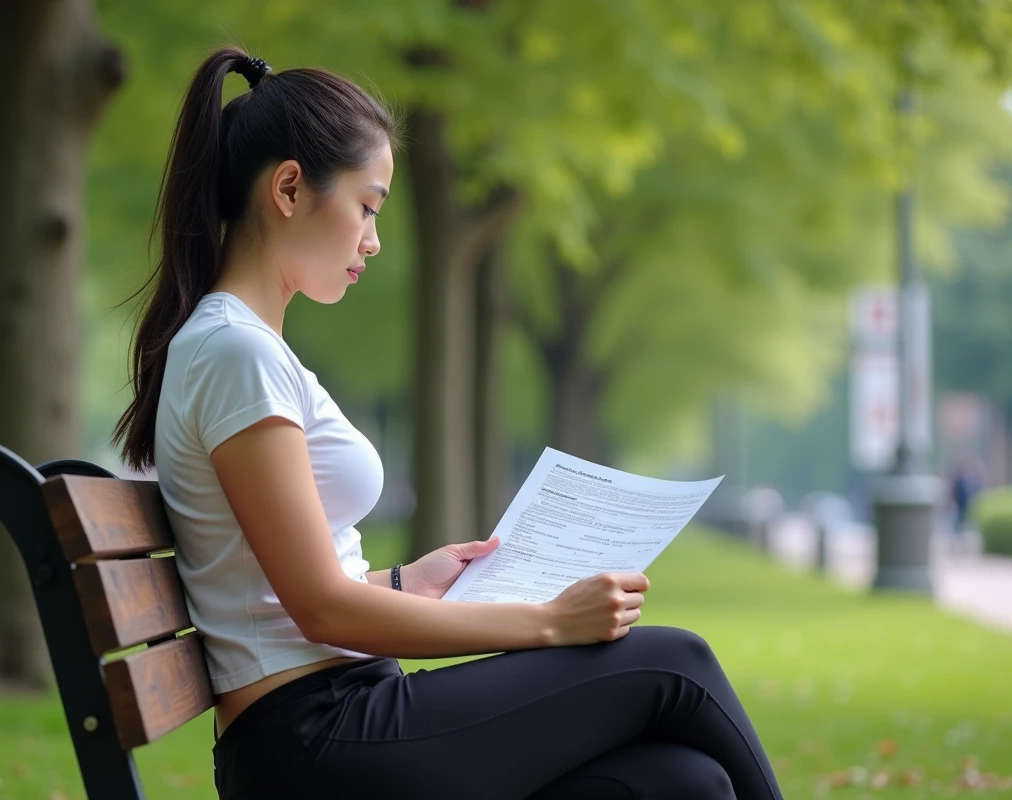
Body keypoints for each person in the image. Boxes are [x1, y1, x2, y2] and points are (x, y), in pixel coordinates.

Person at [113, 46, 784, 800]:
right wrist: (549, 624)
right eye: (367, 207)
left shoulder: (245, 348)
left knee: (679, 782)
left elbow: (276, 589)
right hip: (314, 739)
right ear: (291, 188)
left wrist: (406, 580)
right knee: (676, 664)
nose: (372, 239)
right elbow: (319, 607)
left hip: (337, 714)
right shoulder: (235, 350)